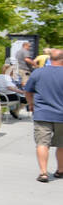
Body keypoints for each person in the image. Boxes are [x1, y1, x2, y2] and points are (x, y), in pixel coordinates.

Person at [23, 48, 63, 182]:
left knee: (42, 143)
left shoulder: (38, 73)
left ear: (49, 59)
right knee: (62, 145)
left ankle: (43, 173)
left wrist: (31, 104)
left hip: (42, 114)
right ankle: (60, 170)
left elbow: (28, 91)